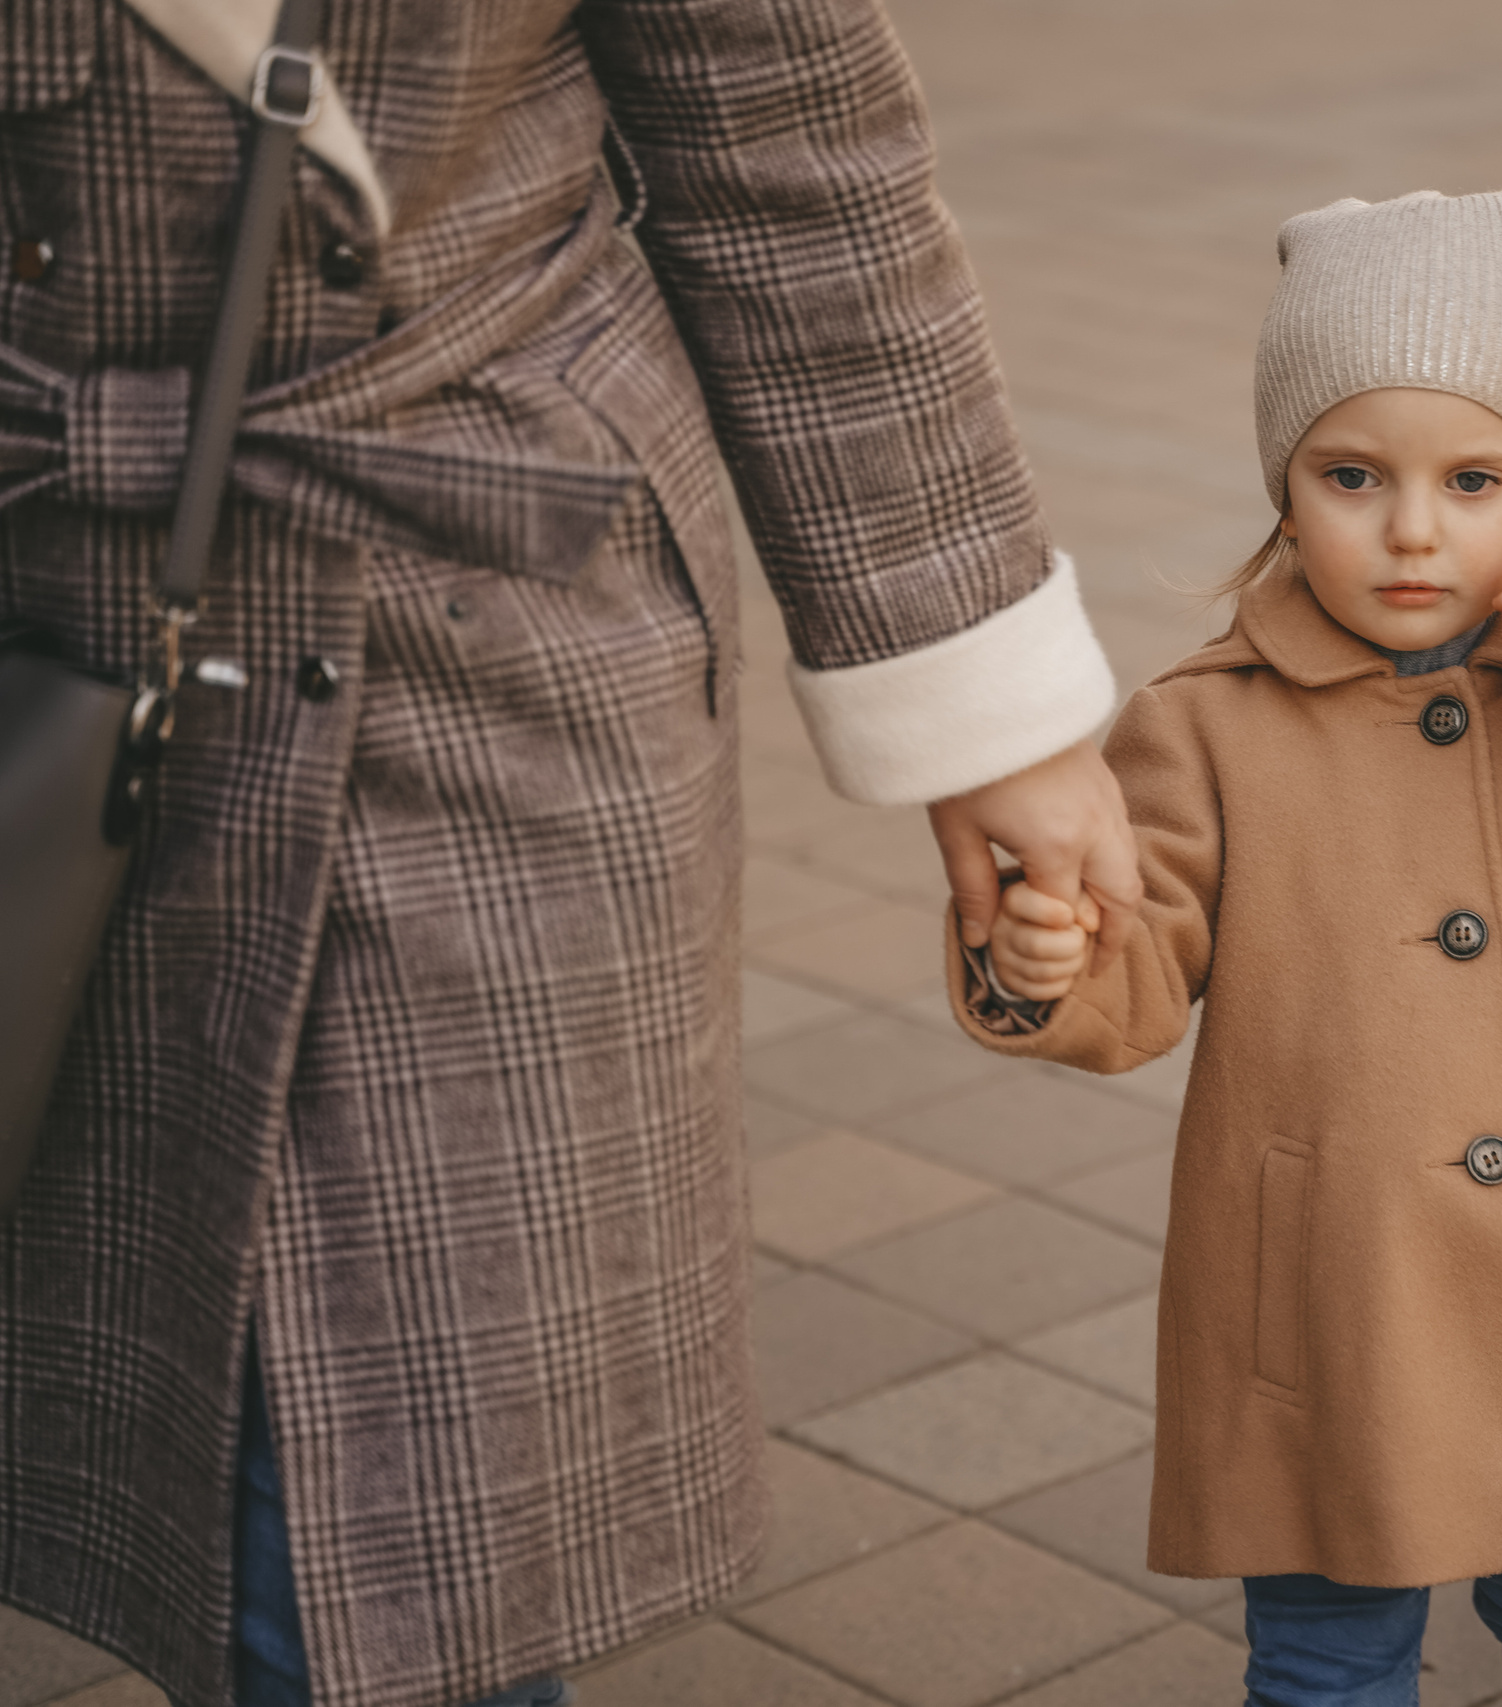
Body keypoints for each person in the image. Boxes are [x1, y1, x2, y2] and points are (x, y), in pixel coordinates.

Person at [0, 4, 1137, 1706]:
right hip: (44, 615)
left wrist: (987, 704)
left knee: (406, 1522)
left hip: (490, 595)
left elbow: (785, 133)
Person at [951, 190, 1502, 1707]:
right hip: (1336, 1283)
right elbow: (1138, 978)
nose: (1415, 529)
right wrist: (1042, 958)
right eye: (1353, 475)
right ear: (1285, 486)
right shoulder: (1205, 721)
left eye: (1477, 476)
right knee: (1326, 1656)